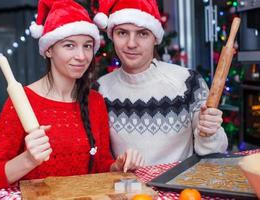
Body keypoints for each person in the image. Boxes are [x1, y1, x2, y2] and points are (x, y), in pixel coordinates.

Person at [0, 0, 144, 191]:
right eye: (69, 46)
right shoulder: (22, 101)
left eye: (87, 46)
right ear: (48, 50)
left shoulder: (95, 101)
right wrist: (27, 160)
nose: (82, 56)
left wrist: (117, 166)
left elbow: (100, 163)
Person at [93, 0, 228, 166]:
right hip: (127, 189)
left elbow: (215, 151)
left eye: (142, 33)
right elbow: (99, 159)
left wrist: (209, 133)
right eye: (122, 33)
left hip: (180, 189)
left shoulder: (188, 82)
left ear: (155, 38)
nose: (131, 44)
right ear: (112, 36)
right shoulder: (100, 89)